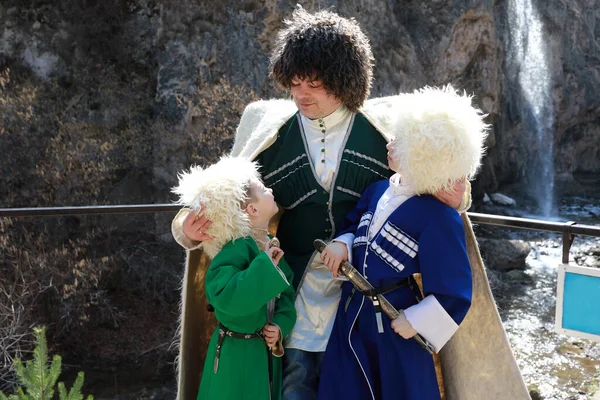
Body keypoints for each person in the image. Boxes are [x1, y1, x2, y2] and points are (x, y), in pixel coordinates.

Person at [171, 6, 469, 400]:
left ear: (342, 79)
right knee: (293, 387)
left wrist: (459, 195)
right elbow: (217, 201)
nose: (300, 94)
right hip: (289, 295)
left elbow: (440, 185)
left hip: (362, 306)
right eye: (293, 82)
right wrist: (185, 231)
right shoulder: (268, 132)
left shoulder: (387, 132)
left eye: (312, 82)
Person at [317, 86, 486, 400]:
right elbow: (355, 223)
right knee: (345, 387)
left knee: (401, 390)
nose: (390, 142)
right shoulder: (377, 189)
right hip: (352, 314)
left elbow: (454, 290)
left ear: (425, 153)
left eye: (402, 140)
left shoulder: (439, 216)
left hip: (396, 321)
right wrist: (343, 242)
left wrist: (416, 321)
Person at [172, 156, 296, 400]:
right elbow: (227, 297)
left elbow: (286, 296)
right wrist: (265, 267)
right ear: (252, 209)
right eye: (264, 188)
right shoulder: (236, 248)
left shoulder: (271, 246)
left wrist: (280, 327)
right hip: (235, 354)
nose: (270, 188)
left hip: (263, 354)